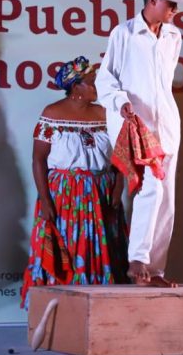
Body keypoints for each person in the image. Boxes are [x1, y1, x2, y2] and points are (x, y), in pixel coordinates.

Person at [96, 0, 183, 287]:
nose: (175, 9)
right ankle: (137, 259)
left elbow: (163, 83)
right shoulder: (124, 33)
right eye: (170, 3)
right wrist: (119, 101)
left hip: (166, 122)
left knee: (166, 196)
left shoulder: (173, 36)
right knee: (151, 187)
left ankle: (153, 271)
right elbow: (105, 77)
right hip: (133, 121)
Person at [20, 56, 128, 301]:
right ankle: (62, 306)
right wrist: (46, 201)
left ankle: (102, 305)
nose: (96, 87)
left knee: (104, 249)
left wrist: (118, 185)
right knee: (68, 245)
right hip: (66, 195)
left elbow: (120, 154)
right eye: (91, 82)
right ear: (76, 87)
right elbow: (39, 160)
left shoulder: (104, 113)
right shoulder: (52, 114)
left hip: (102, 192)